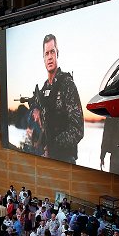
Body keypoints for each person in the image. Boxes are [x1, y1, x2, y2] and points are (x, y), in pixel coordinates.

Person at [25, 34, 84, 163]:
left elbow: (78, 130)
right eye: (46, 53)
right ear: (43, 58)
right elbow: (35, 103)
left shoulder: (67, 84)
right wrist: (35, 109)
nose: (50, 57)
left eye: (52, 52)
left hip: (64, 159)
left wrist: (52, 147)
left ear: (58, 54)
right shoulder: (44, 87)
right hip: (45, 158)